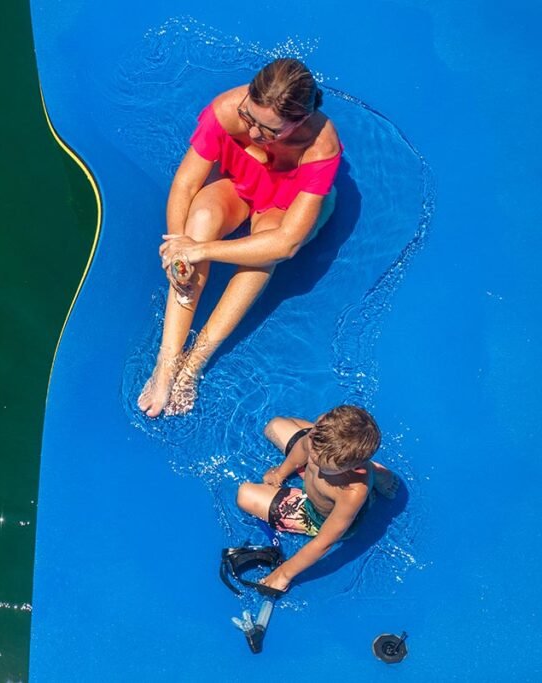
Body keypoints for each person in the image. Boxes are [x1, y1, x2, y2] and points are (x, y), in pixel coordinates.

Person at [138, 58, 343, 417]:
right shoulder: (227, 109)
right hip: (243, 181)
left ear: (299, 121)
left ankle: (193, 365)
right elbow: (185, 185)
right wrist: (177, 249)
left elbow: (287, 243)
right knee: (200, 216)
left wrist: (201, 251)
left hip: (288, 202)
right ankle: (167, 362)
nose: (253, 133)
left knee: (263, 254)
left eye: (269, 130)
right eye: (249, 117)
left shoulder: (320, 147)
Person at [236, 405, 398, 592]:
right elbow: (303, 449)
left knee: (245, 494)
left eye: (322, 464)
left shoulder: (352, 492)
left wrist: (283, 574)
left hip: (316, 516)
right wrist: (280, 474)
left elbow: (324, 541)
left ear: (353, 469)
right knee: (275, 426)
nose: (312, 458)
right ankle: (372, 469)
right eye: (313, 452)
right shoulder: (317, 438)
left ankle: (371, 472)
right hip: (335, 466)